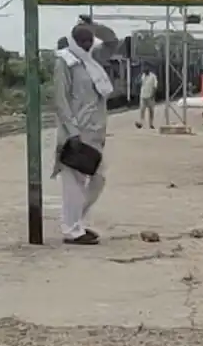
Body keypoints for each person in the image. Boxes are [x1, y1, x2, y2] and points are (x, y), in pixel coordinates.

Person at [52, 24, 115, 245]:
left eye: (90, 40)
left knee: (99, 178)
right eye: (82, 40)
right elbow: (60, 100)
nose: (87, 44)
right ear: (73, 40)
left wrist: (94, 26)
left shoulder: (91, 60)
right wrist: (72, 133)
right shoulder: (65, 62)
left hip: (94, 132)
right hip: (76, 134)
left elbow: (112, 42)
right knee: (74, 183)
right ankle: (72, 230)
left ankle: (75, 222)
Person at [135, 64, 158, 129]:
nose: (144, 70)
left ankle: (151, 124)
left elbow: (155, 86)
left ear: (148, 69)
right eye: (144, 69)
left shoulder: (153, 76)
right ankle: (141, 123)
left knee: (151, 111)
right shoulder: (142, 76)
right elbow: (139, 83)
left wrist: (153, 94)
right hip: (143, 96)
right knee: (142, 110)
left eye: (145, 69)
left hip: (150, 96)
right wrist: (139, 77)